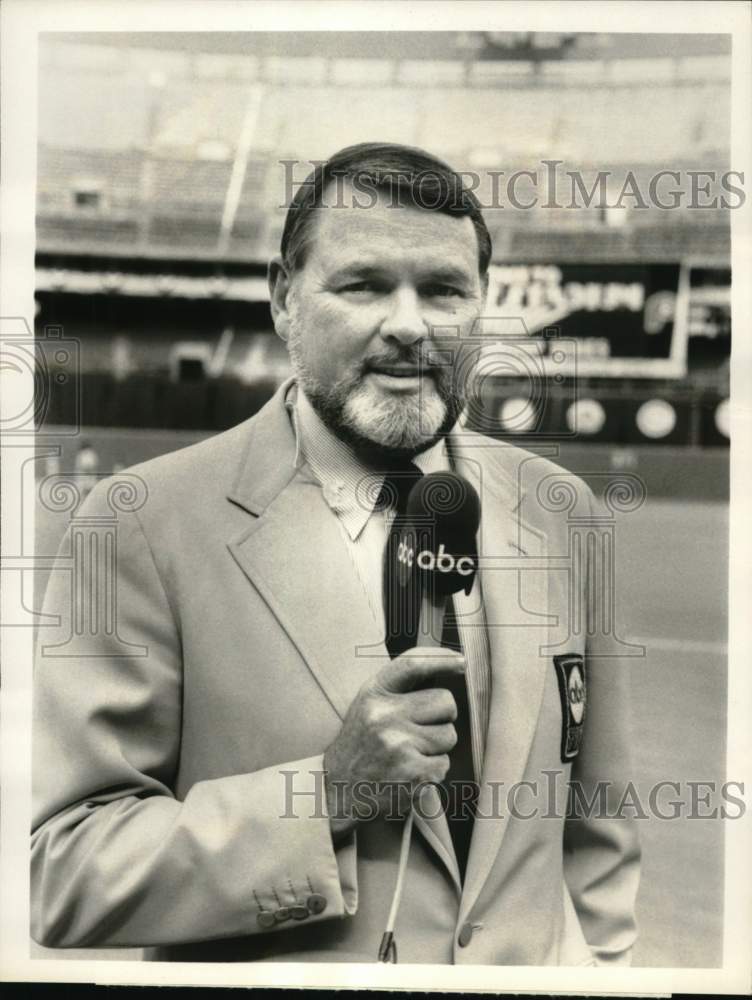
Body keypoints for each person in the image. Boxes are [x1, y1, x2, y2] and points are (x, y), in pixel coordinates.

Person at [31, 142, 640, 965]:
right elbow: (63, 869)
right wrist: (326, 795)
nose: (409, 325)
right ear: (284, 297)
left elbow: (600, 835)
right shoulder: (139, 523)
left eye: (444, 290)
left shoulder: (564, 514)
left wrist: (602, 969)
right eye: (363, 285)